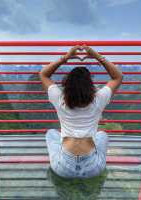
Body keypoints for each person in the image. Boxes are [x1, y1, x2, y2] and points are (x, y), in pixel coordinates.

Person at [39, 45, 123, 178]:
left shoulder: (60, 99)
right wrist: (97, 56)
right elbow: (117, 77)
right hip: (93, 169)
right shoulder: (98, 99)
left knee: (51, 133)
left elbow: (43, 74)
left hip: (62, 169)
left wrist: (65, 57)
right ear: (90, 86)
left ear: (67, 85)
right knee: (103, 135)